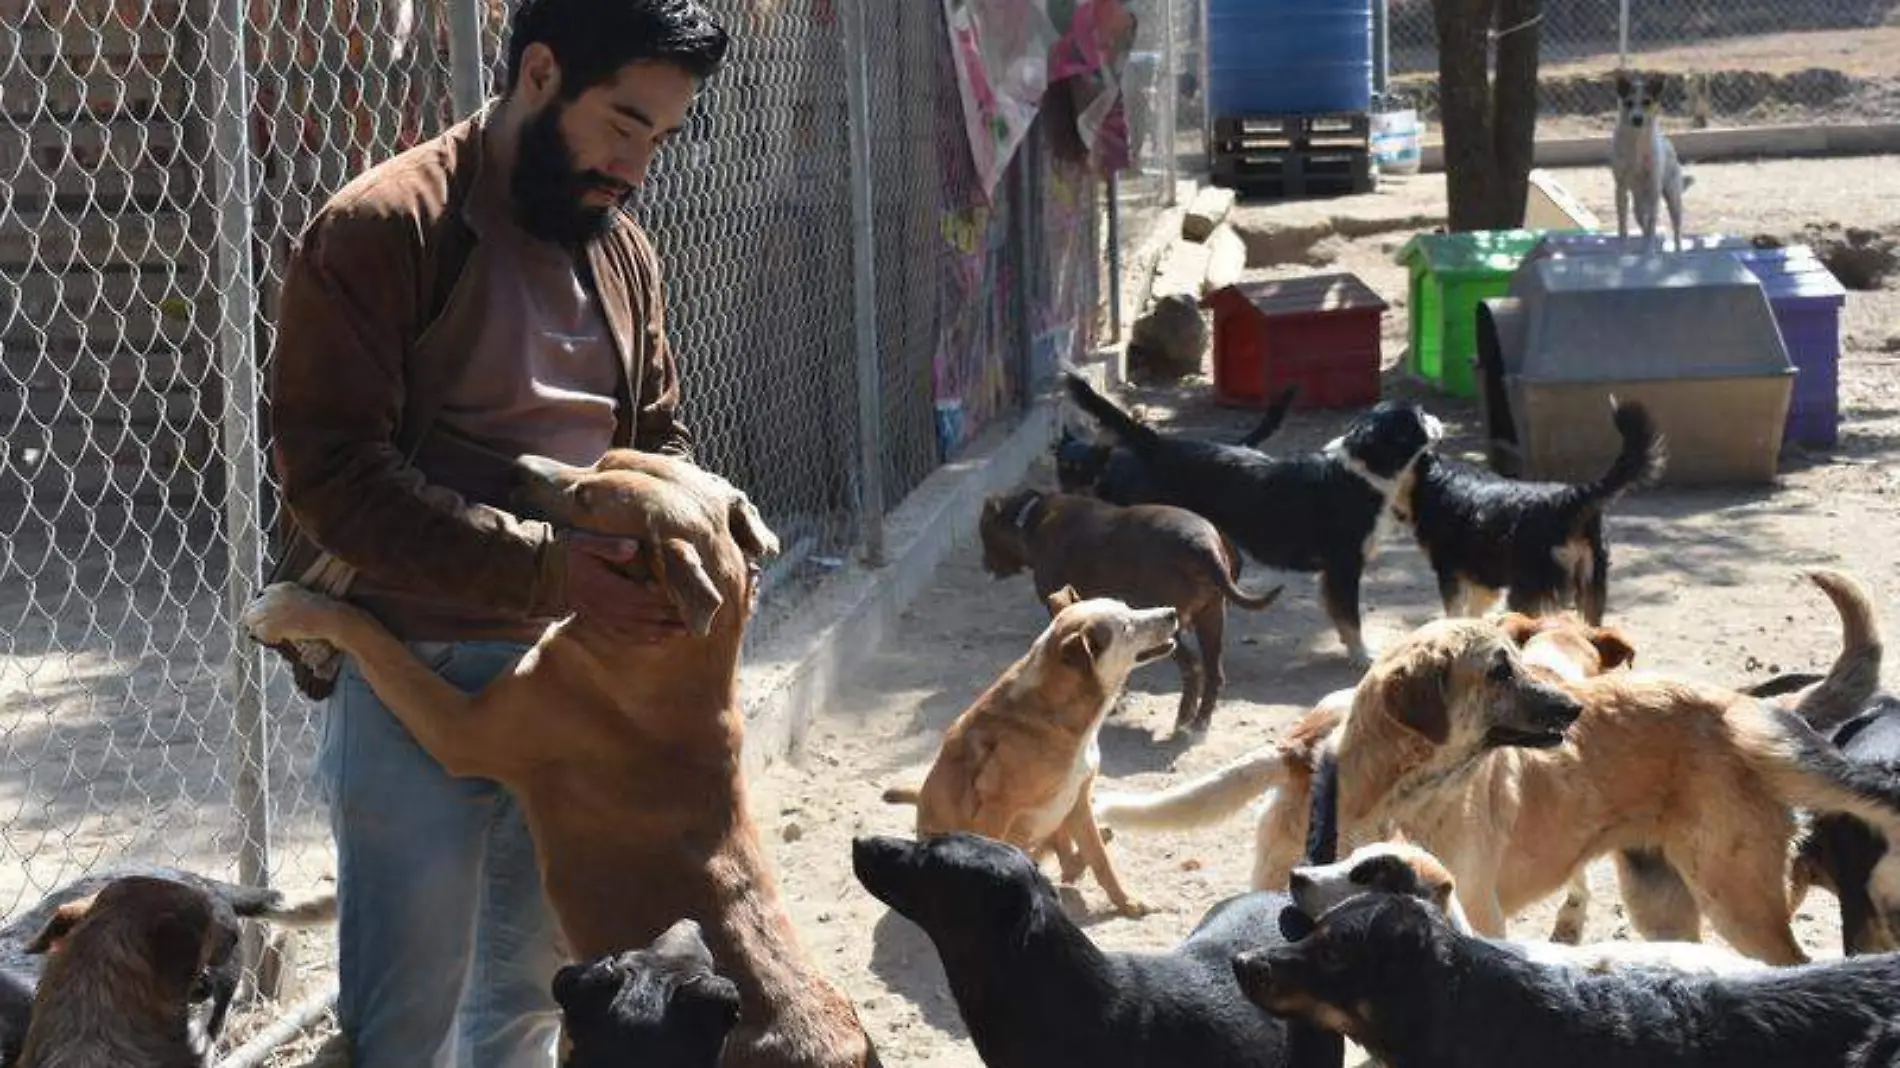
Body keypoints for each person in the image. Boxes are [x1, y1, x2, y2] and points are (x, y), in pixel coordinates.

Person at [262, 1, 730, 1065]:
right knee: (401, 1024)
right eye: (622, 123)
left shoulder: (623, 253)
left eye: (660, 136)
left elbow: (658, 439)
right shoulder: (384, 229)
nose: (638, 165)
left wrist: (674, 550)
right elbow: (331, 478)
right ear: (538, 70)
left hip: (583, 676)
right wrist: (551, 571)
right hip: (413, 672)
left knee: (529, 1000)